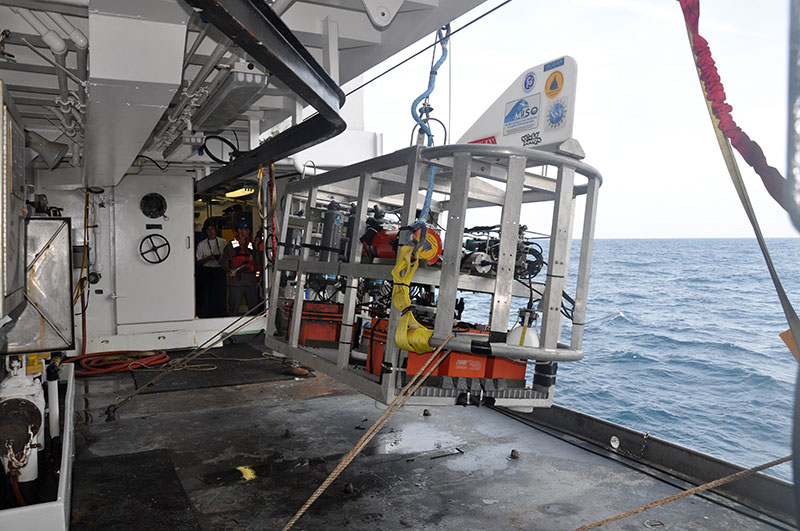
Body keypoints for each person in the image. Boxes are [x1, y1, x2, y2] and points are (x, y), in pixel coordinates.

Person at [221, 218, 261, 315]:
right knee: (234, 309)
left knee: (254, 308)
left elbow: (257, 261)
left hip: (250, 281)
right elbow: (224, 262)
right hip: (236, 283)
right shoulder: (231, 246)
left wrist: (257, 249)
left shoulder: (251, 245)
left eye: (249, 229)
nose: (248, 231)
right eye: (246, 229)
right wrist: (229, 270)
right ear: (239, 230)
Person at [196, 220, 228, 317]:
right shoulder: (201, 244)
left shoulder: (223, 242)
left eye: (212, 229)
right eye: (208, 230)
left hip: (220, 271)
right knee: (207, 295)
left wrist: (220, 259)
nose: (211, 232)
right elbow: (198, 262)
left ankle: (221, 314)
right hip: (207, 272)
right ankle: (207, 315)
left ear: (216, 230)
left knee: (221, 295)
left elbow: (227, 258)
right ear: (205, 231)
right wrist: (209, 258)